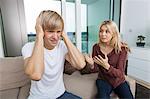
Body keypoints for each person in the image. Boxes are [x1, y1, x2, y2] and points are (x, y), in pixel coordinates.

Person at [21, 10, 86, 99]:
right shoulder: (28, 47)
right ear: (41, 30)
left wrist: (64, 36)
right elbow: (36, 75)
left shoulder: (61, 45)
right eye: (51, 31)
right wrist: (39, 35)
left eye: (58, 31)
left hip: (61, 95)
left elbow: (80, 64)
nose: (55, 37)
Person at [84, 20, 134, 99]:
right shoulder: (96, 47)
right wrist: (91, 64)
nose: (103, 34)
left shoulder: (122, 49)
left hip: (118, 81)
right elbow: (95, 69)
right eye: (101, 31)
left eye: (107, 31)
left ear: (113, 34)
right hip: (103, 80)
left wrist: (107, 66)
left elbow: (120, 74)